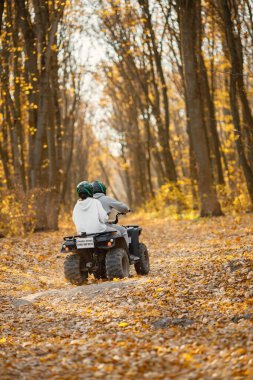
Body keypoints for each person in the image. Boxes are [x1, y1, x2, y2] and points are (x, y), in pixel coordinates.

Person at [92, 180, 130, 246]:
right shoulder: (106, 199)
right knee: (123, 230)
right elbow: (123, 208)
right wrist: (127, 210)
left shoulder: (88, 200)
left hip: (90, 227)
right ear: (103, 190)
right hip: (103, 226)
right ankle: (125, 253)